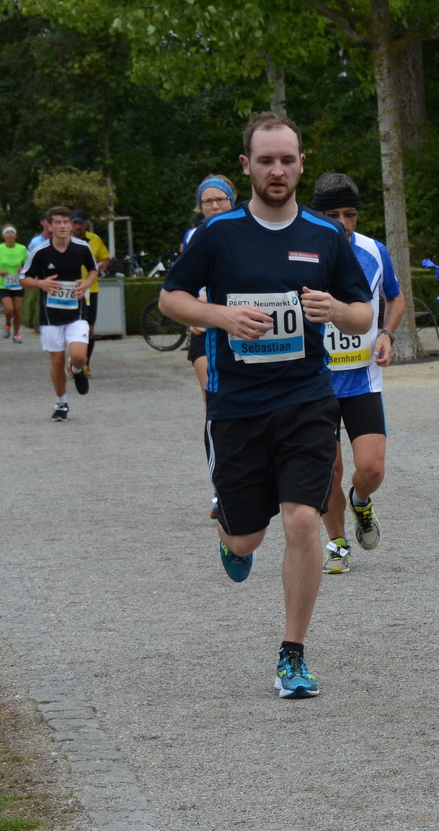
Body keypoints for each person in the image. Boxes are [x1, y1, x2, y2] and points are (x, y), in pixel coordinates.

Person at [158, 112, 372, 699]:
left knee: (303, 518)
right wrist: (221, 316)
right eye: (266, 160)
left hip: (306, 398)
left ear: (301, 164)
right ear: (247, 166)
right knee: (248, 541)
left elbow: (363, 313)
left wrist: (335, 310)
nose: (277, 170)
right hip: (237, 404)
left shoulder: (326, 237)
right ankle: (229, 529)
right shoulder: (219, 234)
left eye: (287, 160)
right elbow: (170, 298)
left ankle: (293, 653)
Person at [310, 173, 405, 575]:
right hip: (315, 382)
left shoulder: (373, 250)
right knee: (327, 467)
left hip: (362, 378)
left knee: (371, 469)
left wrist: (386, 332)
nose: (343, 223)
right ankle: (336, 543)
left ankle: (361, 502)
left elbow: (395, 298)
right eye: (333, 215)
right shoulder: (302, 252)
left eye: (350, 214)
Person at [19, 206, 99, 419]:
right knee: (56, 361)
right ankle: (61, 404)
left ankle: (78, 370)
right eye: (58, 222)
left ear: (72, 225)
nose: (62, 226)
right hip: (50, 316)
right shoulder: (41, 251)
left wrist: (87, 283)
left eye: (66, 222)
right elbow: (23, 279)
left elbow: (94, 269)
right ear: (50, 225)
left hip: (76, 311)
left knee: (79, 356)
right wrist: (41, 283)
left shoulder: (82, 248)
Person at [185, 176, 239, 396]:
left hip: (239, 327)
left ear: (232, 200)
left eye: (220, 199)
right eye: (208, 201)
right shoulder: (194, 237)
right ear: (201, 206)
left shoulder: (248, 232)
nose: (215, 205)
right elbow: (182, 286)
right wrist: (190, 313)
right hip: (205, 329)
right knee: (212, 397)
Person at [73, 210, 108, 368]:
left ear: (86, 224)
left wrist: (101, 266)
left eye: (81, 223)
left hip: (90, 289)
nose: (78, 226)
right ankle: (74, 359)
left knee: (89, 329)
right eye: (75, 223)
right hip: (70, 290)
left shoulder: (95, 240)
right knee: (72, 327)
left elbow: (105, 258)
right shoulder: (65, 240)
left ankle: (84, 363)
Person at [0, 225, 28, 343]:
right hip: (4, 283)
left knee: (17, 310)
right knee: (9, 309)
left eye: (12, 233)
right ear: (3, 236)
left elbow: (28, 264)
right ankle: (7, 323)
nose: (10, 235)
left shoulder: (22, 248)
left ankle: (16, 334)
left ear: (16, 235)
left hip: (18, 283)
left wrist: (23, 269)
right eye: (7, 233)